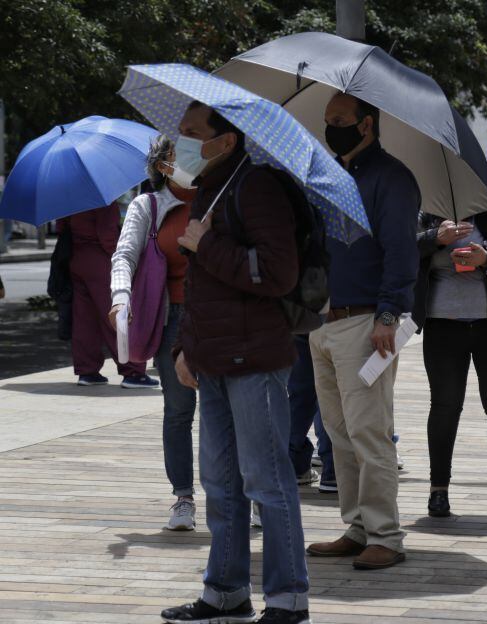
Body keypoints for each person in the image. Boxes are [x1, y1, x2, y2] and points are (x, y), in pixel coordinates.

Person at [160, 101, 310, 624]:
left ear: (225, 141)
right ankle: (224, 592)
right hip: (214, 359)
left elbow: (278, 274)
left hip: (255, 359)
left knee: (267, 482)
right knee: (220, 485)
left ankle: (288, 597)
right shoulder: (209, 188)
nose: (179, 143)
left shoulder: (258, 187)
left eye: (190, 133)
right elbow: (201, 289)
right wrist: (185, 349)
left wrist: (210, 243)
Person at [305, 93, 419, 571]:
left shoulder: (391, 178)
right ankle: (357, 526)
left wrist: (388, 316)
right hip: (325, 321)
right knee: (338, 432)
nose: (331, 128)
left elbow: (401, 252)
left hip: (366, 321)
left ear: (367, 125)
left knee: (370, 432)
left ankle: (386, 535)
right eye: (328, 121)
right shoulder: (330, 177)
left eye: (340, 121)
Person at [413, 169, 487, 520]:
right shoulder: (429, 216)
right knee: (445, 406)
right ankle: (438, 490)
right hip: (441, 325)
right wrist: (435, 237)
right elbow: (402, 250)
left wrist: (486, 258)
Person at [108, 135, 198, 531]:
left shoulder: (221, 199)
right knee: (178, 411)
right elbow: (125, 254)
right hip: (172, 318)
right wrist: (120, 296)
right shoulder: (148, 205)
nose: (195, 156)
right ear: (163, 165)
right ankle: (183, 498)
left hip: (218, 318)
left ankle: (243, 496)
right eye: (182, 151)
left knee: (224, 413)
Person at [61, 204, 158, 389]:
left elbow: (61, 227)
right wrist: (123, 259)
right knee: (117, 314)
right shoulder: (102, 200)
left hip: (77, 257)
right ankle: (132, 371)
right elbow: (108, 234)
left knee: (84, 319)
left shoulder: (70, 197)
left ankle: (87, 370)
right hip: (102, 259)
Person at [288, 334, 336, 494]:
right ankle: (332, 469)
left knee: (301, 394)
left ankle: (292, 463)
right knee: (333, 393)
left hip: (301, 319)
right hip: (337, 321)